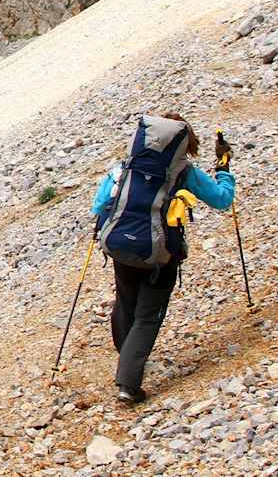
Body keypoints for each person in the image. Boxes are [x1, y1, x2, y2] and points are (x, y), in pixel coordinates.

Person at [90, 113, 235, 404]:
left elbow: (99, 204)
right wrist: (224, 169)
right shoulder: (184, 172)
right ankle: (128, 384)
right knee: (148, 316)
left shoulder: (124, 167)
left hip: (120, 246)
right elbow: (222, 199)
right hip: (160, 254)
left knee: (126, 301)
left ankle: (127, 355)